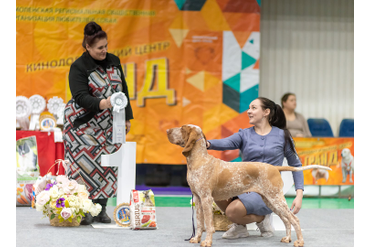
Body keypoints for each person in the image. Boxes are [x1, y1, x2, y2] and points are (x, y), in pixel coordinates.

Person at [63, 22, 134, 225]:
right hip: (82, 125)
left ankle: (101, 209)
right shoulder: (78, 66)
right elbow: (80, 97)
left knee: (108, 167)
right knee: (84, 168)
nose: (104, 51)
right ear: (88, 47)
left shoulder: (114, 61)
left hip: (109, 123)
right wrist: (104, 103)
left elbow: (124, 91)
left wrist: (126, 117)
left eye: (106, 46)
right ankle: (83, 209)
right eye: (100, 48)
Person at [205, 97, 304, 239]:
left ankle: (261, 219)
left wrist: (299, 195)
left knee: (232, 212)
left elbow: (296, 165)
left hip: (266, 190)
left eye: (253, 108)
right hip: (243, 187)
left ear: (266, 112)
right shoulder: (243, 134)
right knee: (215, 191)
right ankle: (240, 227)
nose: (248, 111)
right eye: (249, 108)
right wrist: (206, 143)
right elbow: (224, 142)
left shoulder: (283, 136)